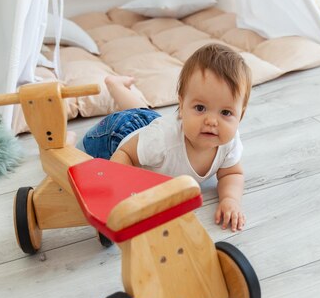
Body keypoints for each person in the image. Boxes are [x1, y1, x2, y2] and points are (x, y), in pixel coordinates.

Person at [75, 43, 252, 232]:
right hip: (120, 134)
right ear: (181, 105)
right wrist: (119, 193)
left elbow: (232, 173)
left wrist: (230, 199)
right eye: (200, 108)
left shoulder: (229, 143)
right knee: (82, 155)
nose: (211, 121)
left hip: (151, 130)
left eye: (225, 112)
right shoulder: (162, 140)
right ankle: (70, 140)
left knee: (144, 114)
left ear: (240, 115)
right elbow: (126, 152)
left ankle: (116, 85)